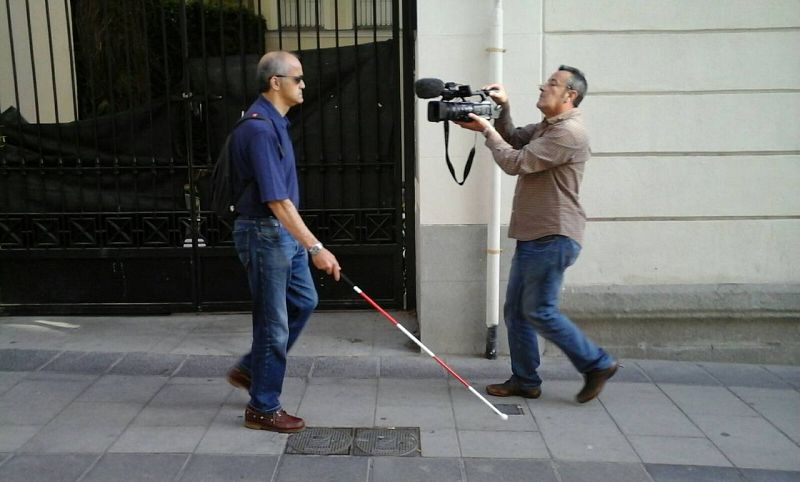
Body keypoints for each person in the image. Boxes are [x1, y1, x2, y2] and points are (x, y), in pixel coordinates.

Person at [456, 65, 618, 404]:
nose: (543, 87)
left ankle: (597, 363)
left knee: (540, 310)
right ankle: (526, 380)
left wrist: (486, 130)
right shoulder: (548, 127)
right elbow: (515, 138)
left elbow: (515, 161)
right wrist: (502, 110)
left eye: (552, 84)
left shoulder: (568, 133)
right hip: (537, 235)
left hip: (553, 234)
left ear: (569, 95)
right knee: (517, 311)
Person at [225, 51, 341, 432]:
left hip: (280, 234)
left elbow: (282, 200)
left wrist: (302, 241)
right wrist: (316, 247)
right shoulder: (258, 129)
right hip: (264, 233)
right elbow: (275, 200)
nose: (303, 85)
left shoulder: (275, 123)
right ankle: (263, 406)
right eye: (298, 78)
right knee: (273, 325)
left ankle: (251, 368)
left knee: (304, 301)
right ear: (276, 82)